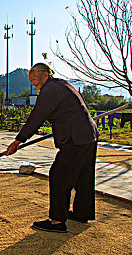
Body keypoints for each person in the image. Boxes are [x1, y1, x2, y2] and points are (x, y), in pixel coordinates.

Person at [6, 63, 99, 233]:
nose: (33, 83)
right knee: (82, 176)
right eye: (30, 80)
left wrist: (18, 140)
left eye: (34, 79)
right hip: (88, 134)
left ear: (46, 75)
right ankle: (81, 213)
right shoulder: (62, 85)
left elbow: (37, 116)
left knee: (59, 175)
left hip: (75, 138)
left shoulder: (50, 90)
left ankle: (57, 221)